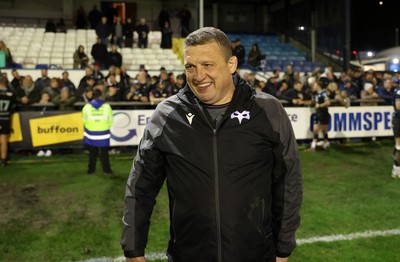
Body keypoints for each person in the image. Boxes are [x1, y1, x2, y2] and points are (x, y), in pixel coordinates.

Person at [121, 27, 302, 262]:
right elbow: (140, 186)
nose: (198, 76)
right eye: (190, 67)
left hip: (255, 254)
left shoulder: (268, 111)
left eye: (208, 65)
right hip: (188, 255)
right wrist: (133, 250)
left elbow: (288, 181)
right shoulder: (166, 116)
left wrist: (283, 248)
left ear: (232, 64)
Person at [82, 88, 113, 175]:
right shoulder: (107, 107)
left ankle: (91, 170)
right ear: (101, 96)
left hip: (91, 133)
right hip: (104, 133)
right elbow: (111, 120)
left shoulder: (86, 107)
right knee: (104, 153)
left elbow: (84, 121)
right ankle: (107, 170)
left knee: (92, 153)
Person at [303, 81, 331, 152]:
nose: (313, 87)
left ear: (318, 86)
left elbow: (328, 102)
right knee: (320, 130)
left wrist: (320, 105)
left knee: (318, 130)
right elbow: (312, 102)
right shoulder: (315, 94)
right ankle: (325, 143)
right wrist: (301, 102)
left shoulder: (323, 93)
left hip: (323, 113)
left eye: (314, 85)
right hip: (318, 114)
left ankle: (313, 147)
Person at [0, 75, 15, 167]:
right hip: (6, 119)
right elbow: (12, 109)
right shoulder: (11, 94)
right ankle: (3, 160)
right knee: (4, 140)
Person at [392, 86, 400, 178]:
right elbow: (398, 107)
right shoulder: (399, 91)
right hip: (398, 121)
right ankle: (396, 169)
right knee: (398, 146)